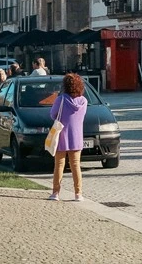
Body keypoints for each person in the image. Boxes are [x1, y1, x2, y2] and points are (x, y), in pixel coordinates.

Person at [48, 72, 87, 202]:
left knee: (59, 164)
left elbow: (53, 114)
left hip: (61, 135)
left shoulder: (61, 99)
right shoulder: (84, 101)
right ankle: (78, 194)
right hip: (77, 136)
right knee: (76, 165)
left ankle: (55, 193)